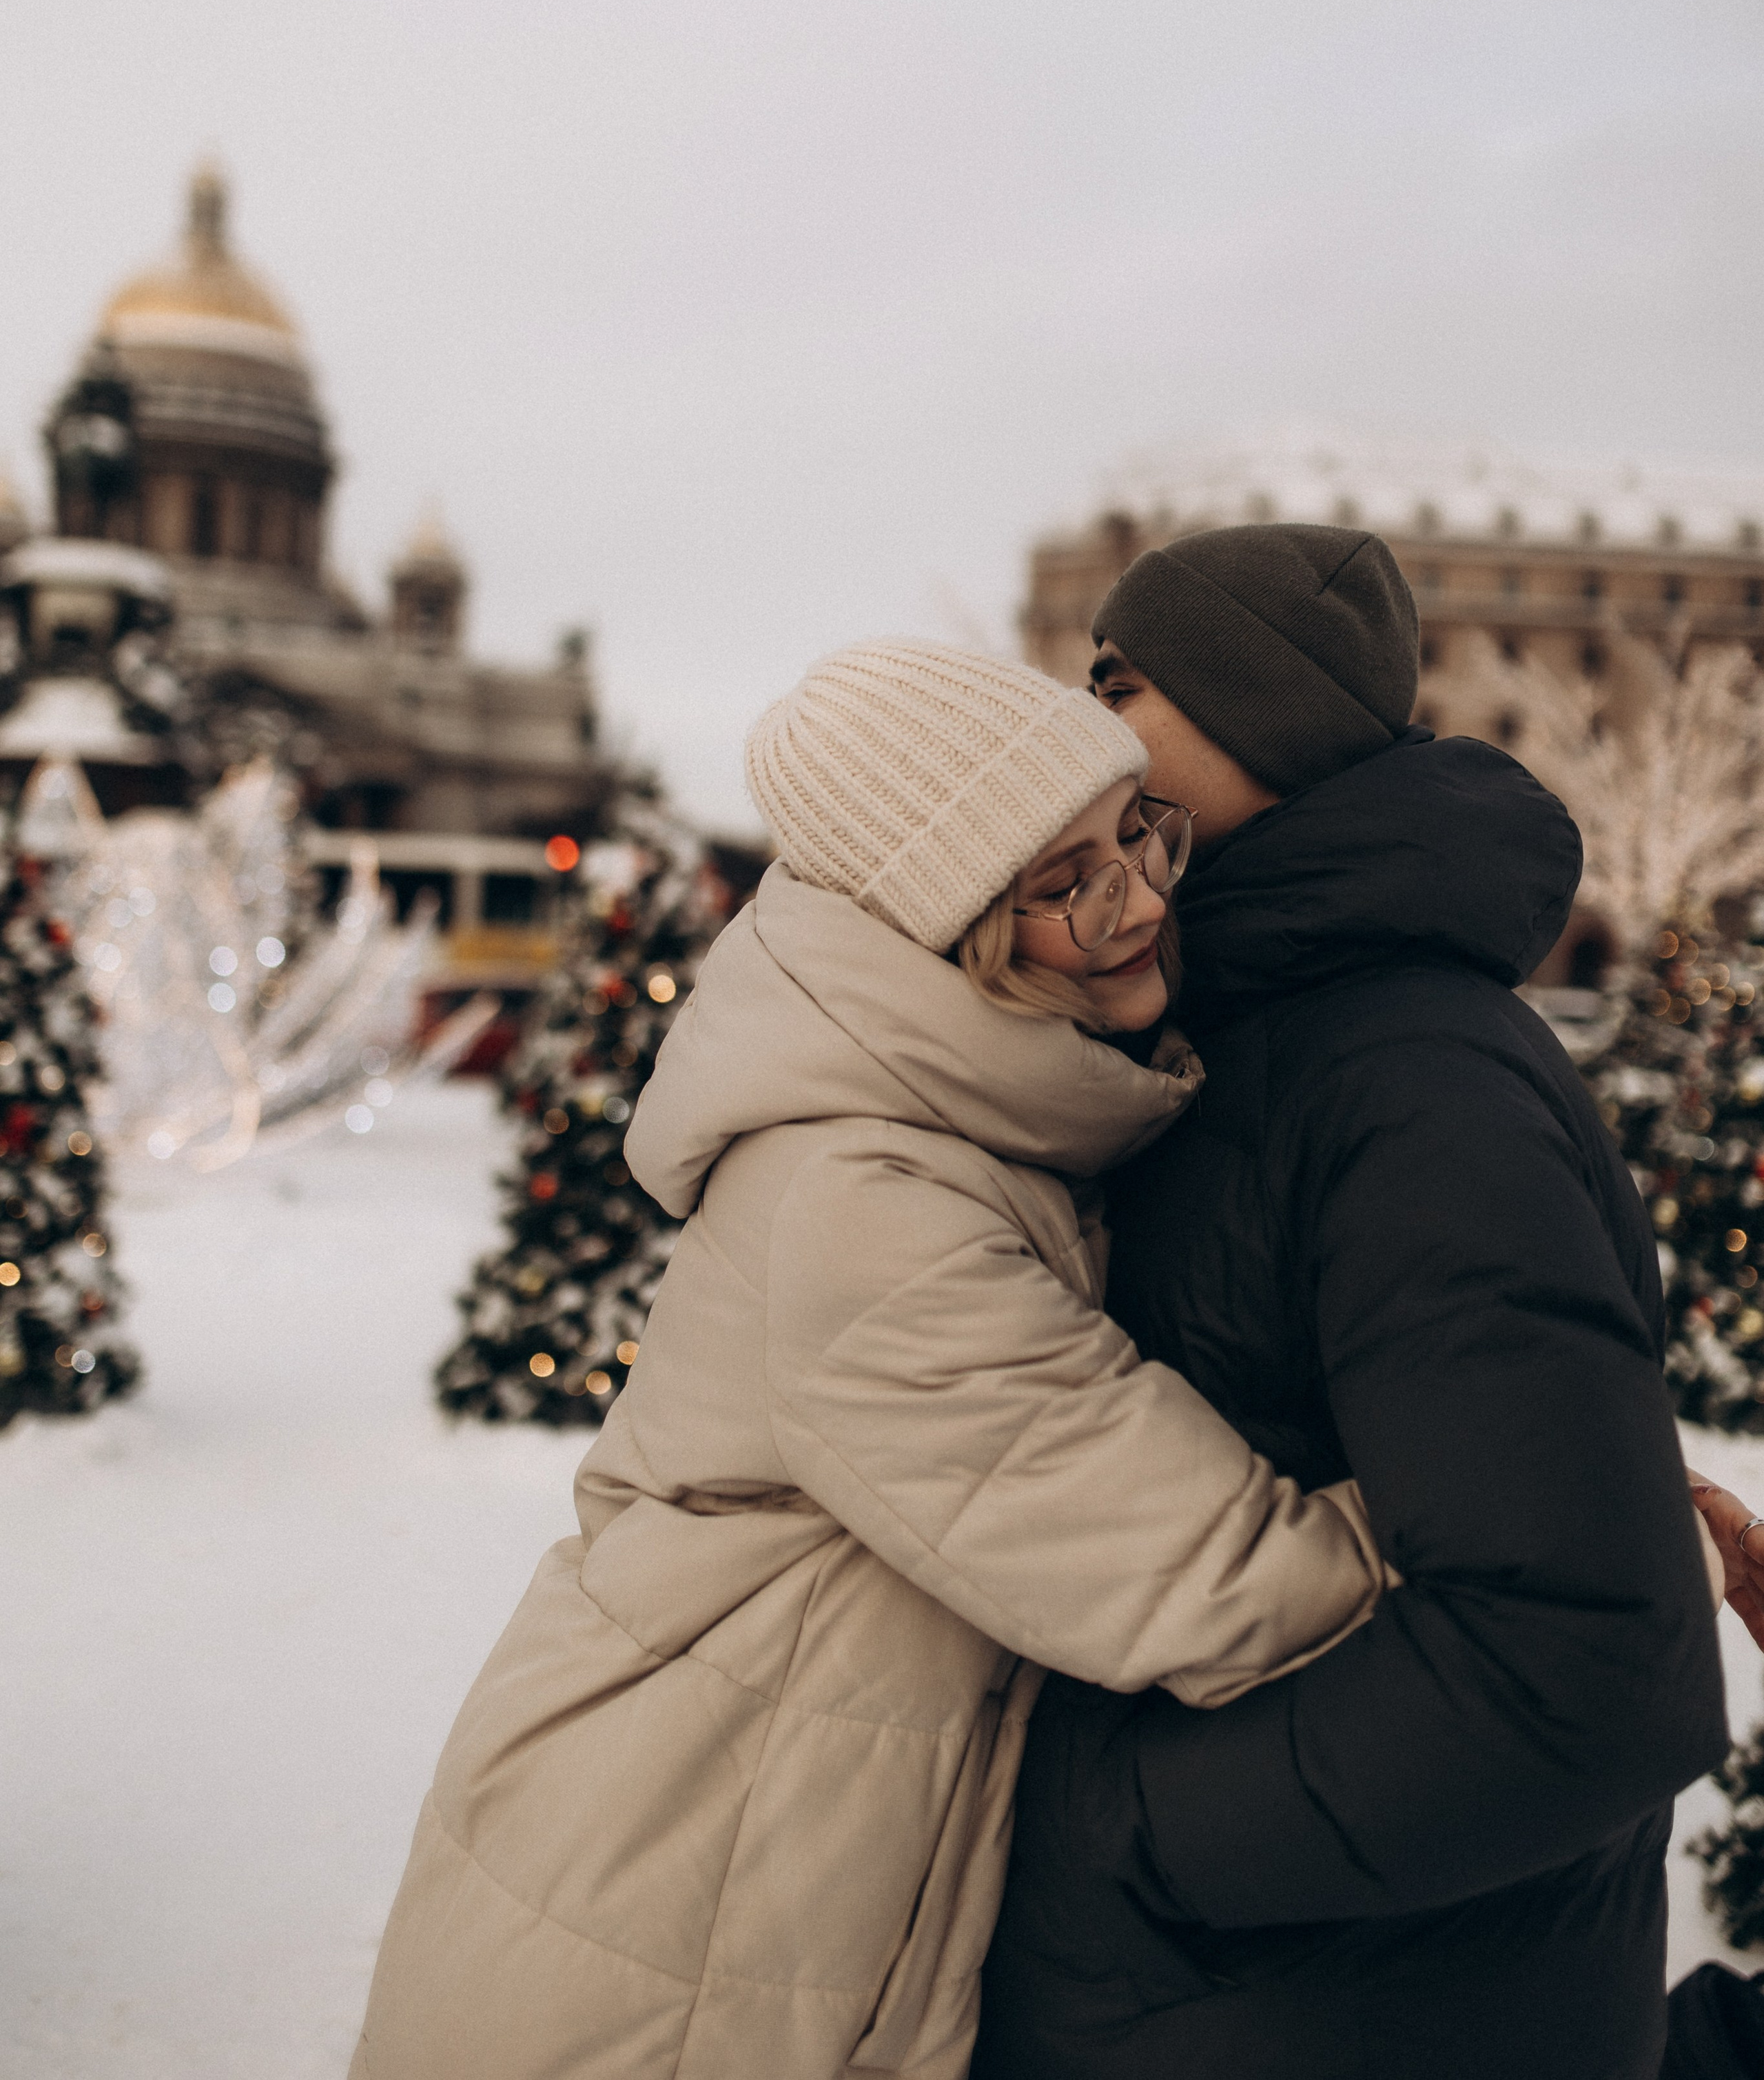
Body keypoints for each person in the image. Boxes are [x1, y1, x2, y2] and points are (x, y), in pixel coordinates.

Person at [349, 640, 1391, 2080]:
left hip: (729, 1875)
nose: (1140, 896)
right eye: (1062, 881)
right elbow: (1215, 1580)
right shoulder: (867, 1206)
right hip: (658, 1935)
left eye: (1136, 833)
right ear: (944, 930)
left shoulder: (967, 1126)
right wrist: (1562, 1537)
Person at [973, 521, 1732, 2080]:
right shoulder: (1251, 1040)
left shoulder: (1403, 1080)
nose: (1075, 724)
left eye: (1116, 683)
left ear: (1263, 717)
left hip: (1339, 2007)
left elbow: (1577, 1673)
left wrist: (1104, 1831)